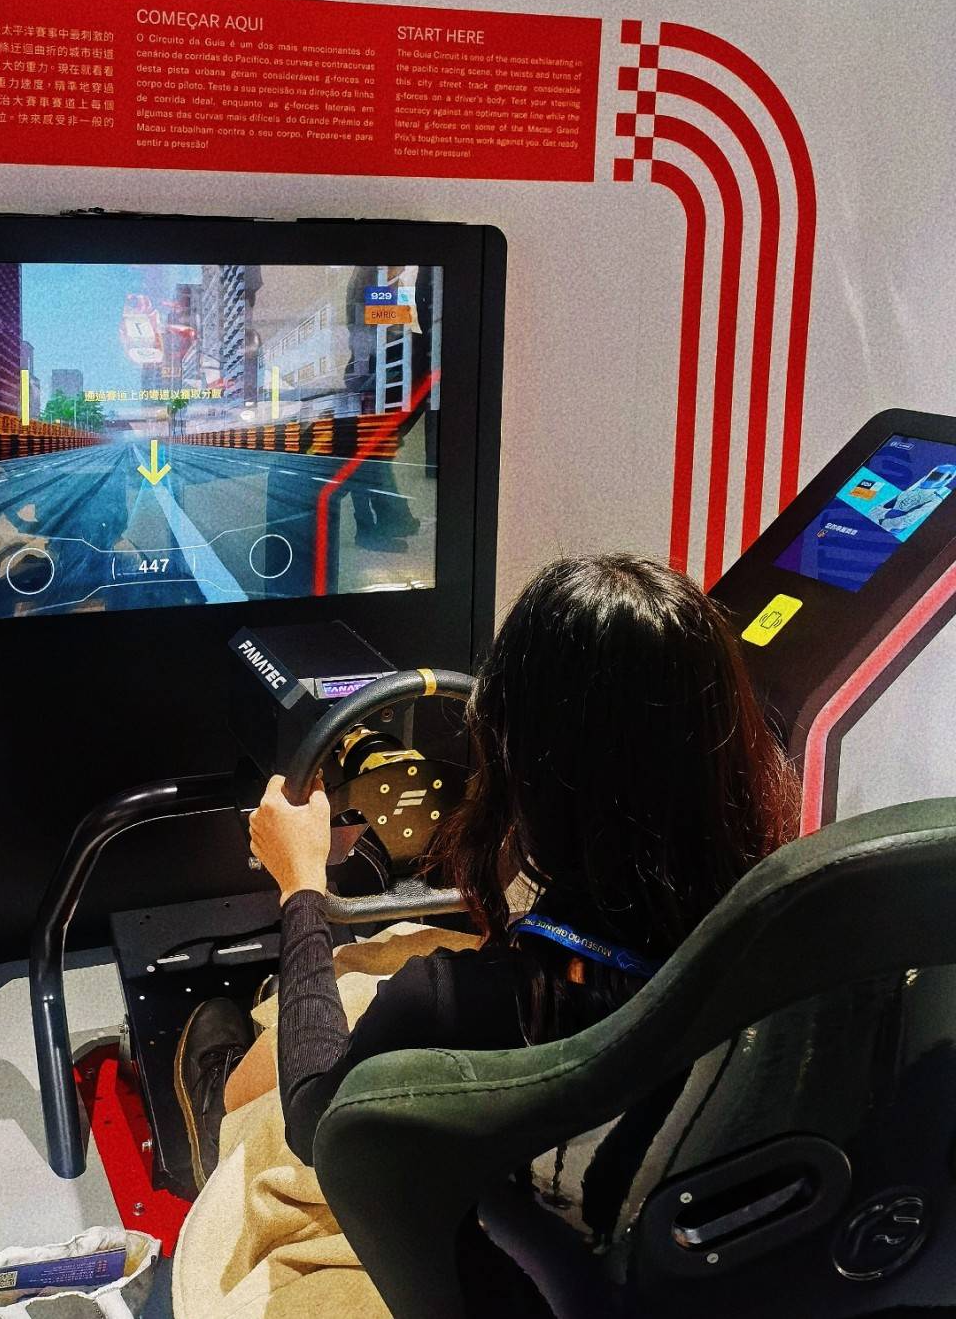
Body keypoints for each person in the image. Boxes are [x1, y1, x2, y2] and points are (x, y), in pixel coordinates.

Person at [171, 555, 800, 1313]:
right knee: (383, 956)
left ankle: (217, 1115)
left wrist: (301, 886)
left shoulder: (452, 1003)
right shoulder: (794, 928)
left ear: (521, 765)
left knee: (280, 1085)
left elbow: (317, 1123)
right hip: (679, 1239)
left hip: (529, 1272)